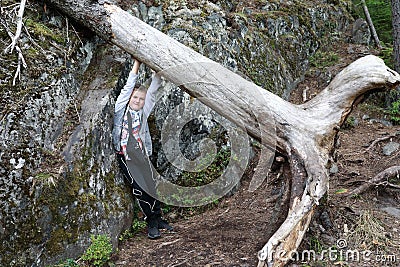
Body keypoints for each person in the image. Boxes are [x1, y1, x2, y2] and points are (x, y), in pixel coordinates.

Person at [113, 58, 172, 239]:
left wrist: (157, 75)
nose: (138, 101)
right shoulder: (120, 109)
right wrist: (137, 64)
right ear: (129, 98)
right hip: (127, 157)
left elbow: (152, 93)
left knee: (151, 186)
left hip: (142, 155)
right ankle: (151, 222)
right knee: (139, 189)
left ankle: (158, 217)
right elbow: (128, 86)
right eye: (135, 97)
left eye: (141, 98)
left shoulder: (143, 112)